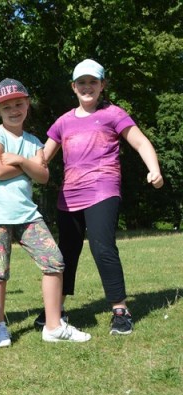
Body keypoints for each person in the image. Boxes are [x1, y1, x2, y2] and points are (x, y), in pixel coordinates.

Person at [41, 59, 164, 335]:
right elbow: (42, 158)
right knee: (66, 253)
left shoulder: (113, 114)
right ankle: (55, 311)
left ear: (102, 85)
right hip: (69, 196)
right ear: (73, 87)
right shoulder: (63, 121)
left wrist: (154, 169)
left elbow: (141, 142)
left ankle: (120, 310)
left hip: (103, 189)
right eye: (82, 82)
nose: (87, 87)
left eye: (93, 82)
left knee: (102, 247)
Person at [0, 78, 91, 347]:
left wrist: (20, 160)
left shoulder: (34, 142)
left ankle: (53, 326)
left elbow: (43, 176)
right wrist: (30, 166)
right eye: (6, 107)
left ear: (27, 104)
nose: (13, 110)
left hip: (27, 215)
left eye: (18, 104)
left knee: (54, 261)